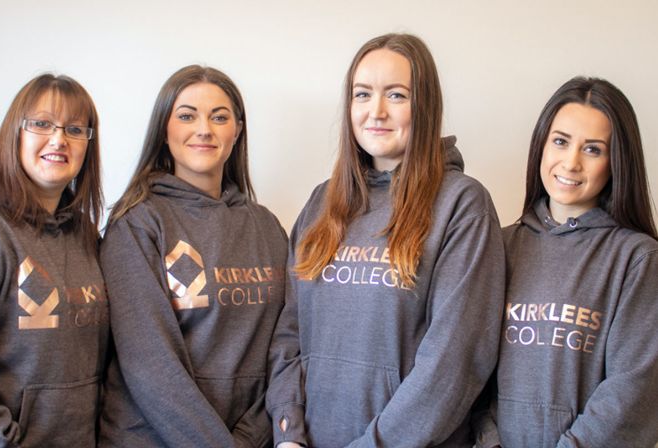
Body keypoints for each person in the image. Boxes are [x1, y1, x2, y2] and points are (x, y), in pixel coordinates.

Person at [266, 33, 506, 448]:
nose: (375, 111)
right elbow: (289, 334)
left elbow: (455, 362)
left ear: (425, 105)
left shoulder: (462, 205)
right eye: (363, 94)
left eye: (396, 95)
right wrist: (289, 432)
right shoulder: (321, 203)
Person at [98, 65, 288, 448]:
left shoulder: (267, 228)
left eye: (219, 117)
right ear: (164, 130)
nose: (204, 129)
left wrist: (252, 436)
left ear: (237, 131)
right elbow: (151, 365)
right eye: (187, 116)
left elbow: (282, 346)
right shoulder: (137, 224)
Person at [474, 77, 658, 448]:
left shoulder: (638, 259)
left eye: (593, 150)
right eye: (560, 141)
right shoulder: (500, 246)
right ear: (541, 145)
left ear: (615, 161)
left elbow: (632, 391)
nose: (571, 162)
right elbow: (470, 368)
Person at [0, 74, 108, 447]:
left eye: (75, 129)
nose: (59, 139)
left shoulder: (87, 236)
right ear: (16, 132)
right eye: (42, 123)